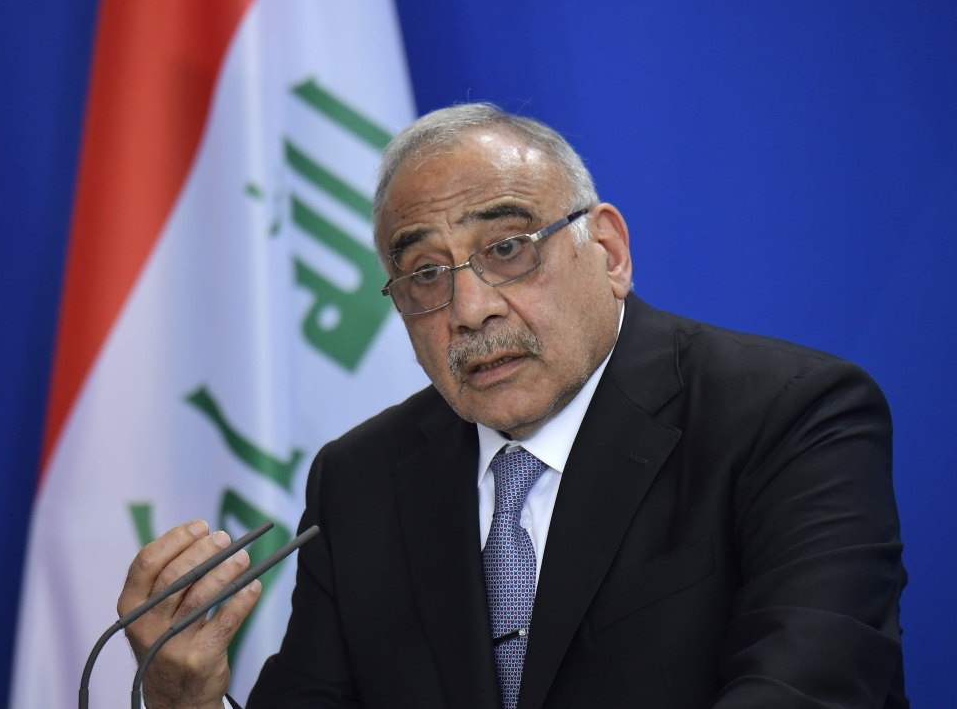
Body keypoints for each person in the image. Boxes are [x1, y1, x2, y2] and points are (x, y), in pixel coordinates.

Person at [119, 104, 908, 709]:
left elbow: (809, 688)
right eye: (426, 274)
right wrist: (188, 700)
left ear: (607, 251)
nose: (468, 310)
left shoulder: (790, 417)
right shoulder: (361, 481)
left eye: (505, 249)